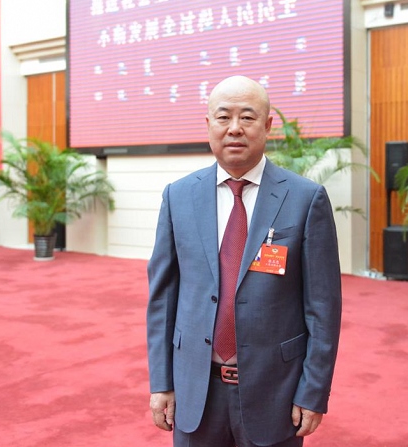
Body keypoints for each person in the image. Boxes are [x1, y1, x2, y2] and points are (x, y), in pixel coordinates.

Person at [146, 75, 342, 447]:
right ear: (209, 125)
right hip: (194, 391)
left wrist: (313, 391)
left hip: (275, 392)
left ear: (267, 126)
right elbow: (162, 299)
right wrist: (162, 382)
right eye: (224, 117)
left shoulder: (305, 198)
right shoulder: (178, 197)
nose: (235, 128)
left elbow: (323, 307)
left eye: (247, 117)